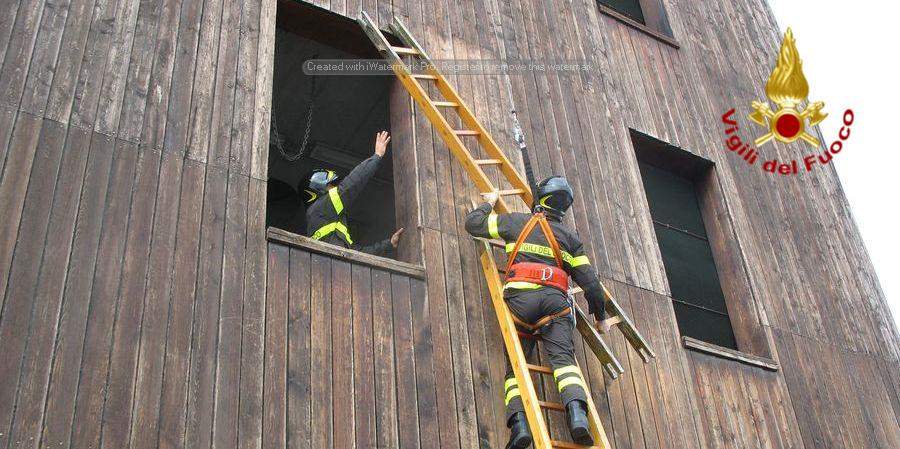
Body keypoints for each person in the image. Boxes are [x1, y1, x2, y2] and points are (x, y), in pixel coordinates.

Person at [464, 176, 607, 449]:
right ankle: (578, 417)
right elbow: (592, 285)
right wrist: (600, 319)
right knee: (565, 363)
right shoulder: (571, 239)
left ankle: (519, 426)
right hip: (555, 306)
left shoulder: (515, 222)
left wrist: (489, 204)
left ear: (539, 198)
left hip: (520, 305)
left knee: (515, 369)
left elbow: (473, 224)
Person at [305, 131, 404, 256]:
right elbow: (352, 184)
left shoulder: (328, 221)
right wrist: (377, 156)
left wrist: (389, 244)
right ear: (319, 191)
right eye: (331, 186)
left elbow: (356, 253)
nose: (335, 189)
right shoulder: (322, 206)